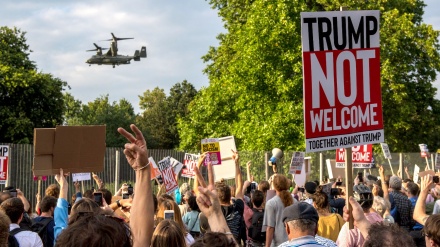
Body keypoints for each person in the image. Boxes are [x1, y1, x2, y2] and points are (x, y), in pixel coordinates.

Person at [263, 174, 295, 247]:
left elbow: (270, 228)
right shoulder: (295, 201)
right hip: (293, 242)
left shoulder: (271, 203)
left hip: (277, 244)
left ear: (274, 186)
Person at [405, 182, 425, 247]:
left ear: (408, 192)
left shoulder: (407, 203)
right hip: (422, 231)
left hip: (412, 231)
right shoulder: (422, 202)